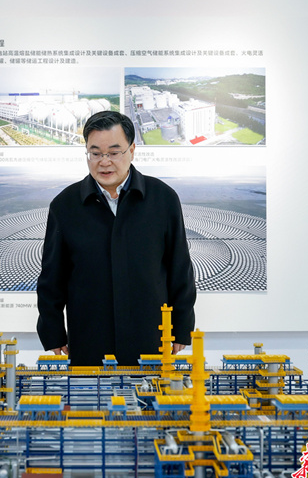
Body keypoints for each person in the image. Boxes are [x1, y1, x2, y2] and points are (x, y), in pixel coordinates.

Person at [36, 111, 196, 366]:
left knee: (151, 391)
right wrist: (52, 330)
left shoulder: (162, 199)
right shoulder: (65, 205)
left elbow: (180, 269)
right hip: (89, 334)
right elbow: (51, 278)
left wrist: (182, 326)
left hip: (150, 333)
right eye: (95, 153)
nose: (104, 162)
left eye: (113, 152)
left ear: (132, 150)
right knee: (89, 392)